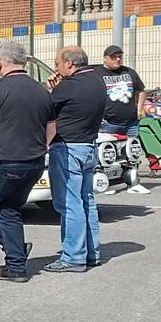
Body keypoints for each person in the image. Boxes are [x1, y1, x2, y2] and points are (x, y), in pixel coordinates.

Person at [0, 42, 55, 283]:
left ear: (1, 64)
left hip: (4, 162)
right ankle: (16, 266)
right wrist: (40, 147)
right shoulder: (41, 91)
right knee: (9, 209)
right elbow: (52, 127)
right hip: (34, 162)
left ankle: (15, 249)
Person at [44, 46, 106, 273]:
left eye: (57, 64)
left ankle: (73, 257)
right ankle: (91, 253)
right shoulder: (97, 81)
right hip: (88, 145)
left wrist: (52, 90)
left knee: (69, 203)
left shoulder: (68, 86)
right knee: (86, 200)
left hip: (67, 147)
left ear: (69, 63)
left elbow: (46, 108)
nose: (56, 69)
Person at [98, 45, 150, 194]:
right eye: (113, 57)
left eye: (119, 56)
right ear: (105, 58)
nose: (118, 59)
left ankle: (133, 183)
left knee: (133, 153)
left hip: (131, 122)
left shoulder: (129, 72)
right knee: (108, 154)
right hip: (108, 123)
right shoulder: (97, 74)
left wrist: (139, 109)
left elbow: (141, 91)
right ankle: (108, 184)